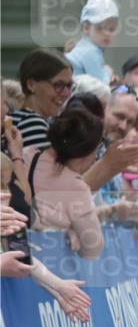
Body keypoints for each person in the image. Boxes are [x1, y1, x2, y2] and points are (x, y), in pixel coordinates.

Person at [28, 106, 106, 258]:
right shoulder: (76, 187)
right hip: (45, 265)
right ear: (87, 150)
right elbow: (93, 249)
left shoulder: (26, 155)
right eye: (99, 147)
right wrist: (73, 229)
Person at [13, 49, 73, 150]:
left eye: (69, 85)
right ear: (31, 84)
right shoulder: (32, 124)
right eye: (58, 85)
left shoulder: (19, 118)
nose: (67, 93)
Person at [65, 0, 119, 84]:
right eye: (100, 28)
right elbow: (102, 83)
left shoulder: (85, 48)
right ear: (86, 28)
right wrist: (108, 71)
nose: (107, 33)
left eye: (112, 29)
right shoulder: (90, 51)